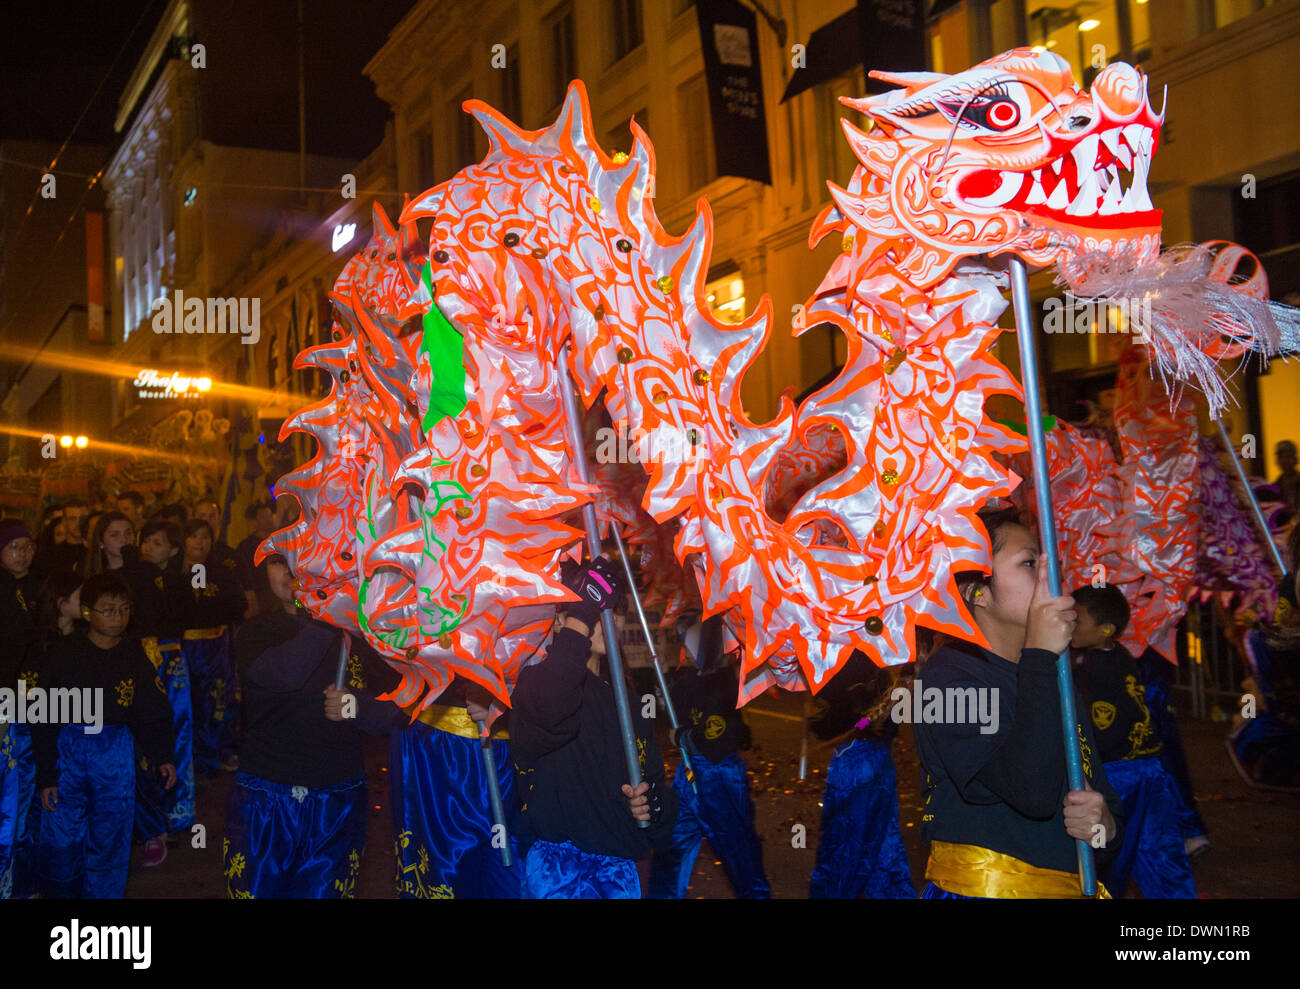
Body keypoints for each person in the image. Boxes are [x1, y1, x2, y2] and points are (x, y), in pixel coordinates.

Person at [915, 508, 1124, 898]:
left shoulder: (1055, 675)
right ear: (977, 592)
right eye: (1030, 563)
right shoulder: (946, 681)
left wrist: (1104, 826)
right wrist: (1041, 656)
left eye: (1052, 565)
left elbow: (1096, 787)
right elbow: (1032, 793)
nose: (1054, 580)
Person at [224, 555, 399, 898]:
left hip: (337, 797)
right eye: (281, 562)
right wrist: (331, 613)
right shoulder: (257, 631)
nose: (291, 572)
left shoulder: (363, 636)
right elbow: (286, 674)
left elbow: (396, 709)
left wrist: (354, 705)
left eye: (303, 560)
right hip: (266, 796)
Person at [509, 556, 679, 898]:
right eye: (594, 606)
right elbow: (552, 708)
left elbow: (657, 793)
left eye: (613, 609)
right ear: (560, 619)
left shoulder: (630, 702)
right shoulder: (534, 684)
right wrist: (582, 616)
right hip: (558, 875)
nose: (607, 619)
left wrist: (653, 807)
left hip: (618, 875)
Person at [33, 573, 176, 898]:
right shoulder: (64, 655)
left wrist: (163, 755)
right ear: (87, 613)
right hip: (69, 751)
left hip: (114, 753)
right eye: (108, 610)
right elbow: (42, 718)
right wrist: (46, 776)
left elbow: (154, 710)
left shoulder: (133, 655)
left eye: (124, 609)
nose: (117, 617)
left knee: (111, 834)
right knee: (62, 835)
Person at [1071, 584, 1196, 898]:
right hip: (1150, 768)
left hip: (1116, 774)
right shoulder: (1122, 655)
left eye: (1078, 619)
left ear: (1105, 630)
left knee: (1108, 854)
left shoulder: (1089, 668)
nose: (1070, 624)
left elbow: (1097, 725)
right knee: (1159, 848)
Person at [648, 616, 770, 899]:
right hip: (689, 773)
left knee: (736, 849)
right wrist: (662, 684)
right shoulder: (693, 680)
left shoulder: (724, 685)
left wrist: (682, 738)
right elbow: (675, 705)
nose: (685, 652)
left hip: (719, 776)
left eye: (689, 646)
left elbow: (717, 736)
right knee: (673, 843)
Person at [389, 674, 525, 898]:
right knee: (445, 864)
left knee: (505, 864)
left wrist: (504, 696)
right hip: (432, 746)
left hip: (502, 747)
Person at [807, 650, 914, 899]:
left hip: (851, 766)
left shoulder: (833, 672)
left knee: (845, 842)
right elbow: (889, 725)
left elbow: (829, 728)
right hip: (880, 764)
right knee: (883, 840)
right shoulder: (882, 672)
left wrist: (815, 717)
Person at [4, 572, 82, 898]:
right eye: (81, 597)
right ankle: (24, 885)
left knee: (57, 816)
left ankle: (55, 879)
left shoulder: (85, 642)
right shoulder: (33, 644)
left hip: (69, 739)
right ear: (62, 604)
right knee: (21, 816)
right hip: (26, 738)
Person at [128, 519, 195, 864]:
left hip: (168, 661)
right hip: (137, 661)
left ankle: (176, 810)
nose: (148, 548)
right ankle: (141, 817)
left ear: (172, 549)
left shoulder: (178, 583)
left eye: (157, 543)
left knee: (176, 731)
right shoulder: (132, 577)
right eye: (146, 541)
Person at [175, 519, 246, 777]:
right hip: (183, 648)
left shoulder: (221, 572)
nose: (199, 542)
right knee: (189, 703)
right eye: (193, 536)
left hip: (217, 647)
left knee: (219, 701)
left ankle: (222, 751)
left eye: (204, 537)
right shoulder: (173, 571)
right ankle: (191, 757)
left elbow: (237, 606)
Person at [80, 512, 135, 578]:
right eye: (114, 535)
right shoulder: (96, 577)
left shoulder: (144, 571)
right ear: (101, 541)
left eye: (128, 533)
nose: (124, 540)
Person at [1274, 440, 1299, 515]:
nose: (1284, 461)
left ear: (1295, 459)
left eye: (1288, 456)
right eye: (1281, 457)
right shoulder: (1275, 487)